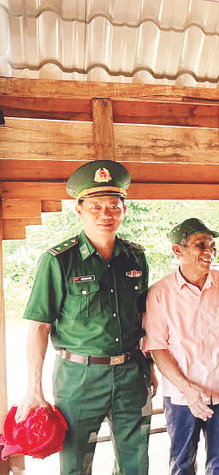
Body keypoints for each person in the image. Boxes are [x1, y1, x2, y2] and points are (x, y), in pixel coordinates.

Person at [18, 160, 153, 474]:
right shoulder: (58, 261)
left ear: (124, 209)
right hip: (79, 379)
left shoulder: (135, 257)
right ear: (79, 211)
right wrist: (33, 390)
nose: (105, 214)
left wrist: (150, 366)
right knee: (76, 463)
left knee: (136, 462)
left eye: (113, 206)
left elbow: (143, 316)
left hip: (132, 374)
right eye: (95, 206)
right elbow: (39, 327)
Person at [143, 218, 219, 474]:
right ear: (177, 251)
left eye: (212, 245)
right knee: (182, 465)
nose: (209, 251)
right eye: (200, 245)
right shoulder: (159, 293)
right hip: (182, 398)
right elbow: (158, 349)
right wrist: (187, 390)